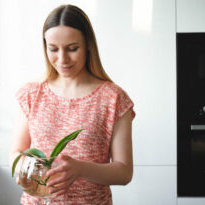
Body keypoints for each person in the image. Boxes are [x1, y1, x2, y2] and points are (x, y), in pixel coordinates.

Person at [9, 4, 135, 205]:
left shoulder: (114, 99)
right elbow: (16, 153)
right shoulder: (31, 94)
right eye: (53, 49)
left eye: (72, 49)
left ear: (88, 45)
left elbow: (124, 172)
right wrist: (25, 168)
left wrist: (79, 169)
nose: (62, 59)